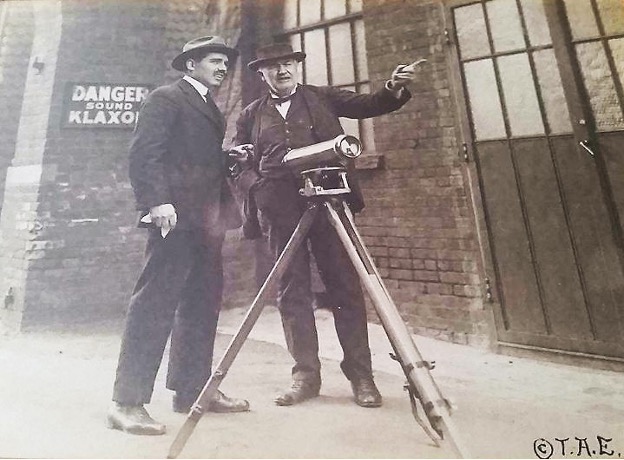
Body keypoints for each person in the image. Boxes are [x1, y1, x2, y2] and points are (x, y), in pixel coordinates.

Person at [229, 42, 416, 408]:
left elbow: (370, 104)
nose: (282, 71)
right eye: (273, 66)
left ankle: (362, 377)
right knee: (291, 291)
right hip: (280, 210)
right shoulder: (251, 115)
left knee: (345, 288)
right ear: (261, 73)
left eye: (288, 64)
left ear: (296, 68)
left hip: (329, 201)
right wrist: (257, 186)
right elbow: (239, 161)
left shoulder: (322, 98)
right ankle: (305, 377)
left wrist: (393, 87)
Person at [107, 36, 250, 436]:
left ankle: (193, 390)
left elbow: (192, 158)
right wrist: (156, 203)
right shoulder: (166, 98)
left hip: (207, 221)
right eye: (215, 61)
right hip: (174, 219)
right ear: (191, 65)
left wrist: (227, 158)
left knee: (202, 304)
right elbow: (144, 154)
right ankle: (127, 402)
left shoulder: (206, 103)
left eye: (225, 63)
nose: (223, 68)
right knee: (154, 304)